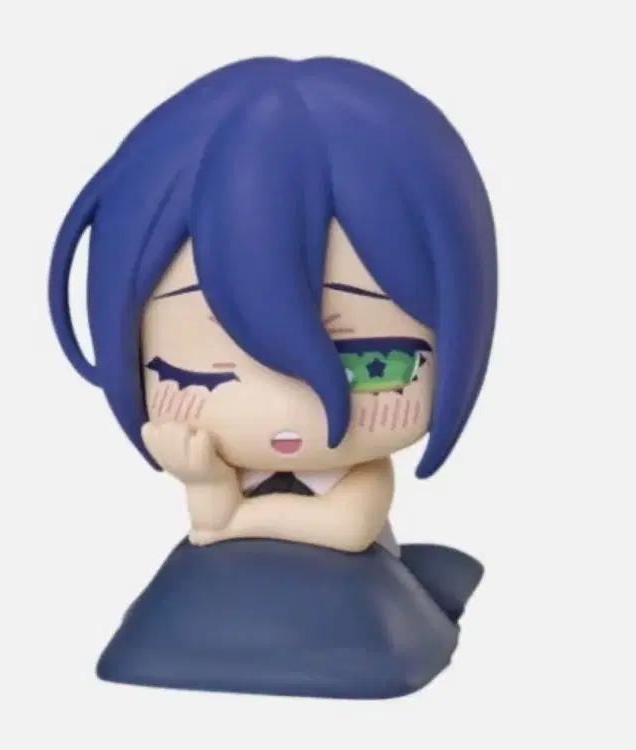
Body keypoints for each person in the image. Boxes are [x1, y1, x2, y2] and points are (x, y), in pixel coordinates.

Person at [49, 56, 497, 699]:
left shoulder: (361, 475)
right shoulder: (224, 469)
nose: (287, 409)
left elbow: (347, 530)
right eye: (194, 374)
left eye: (374, 362)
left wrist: (232, 519)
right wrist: (209, 487)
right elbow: (207, 523)